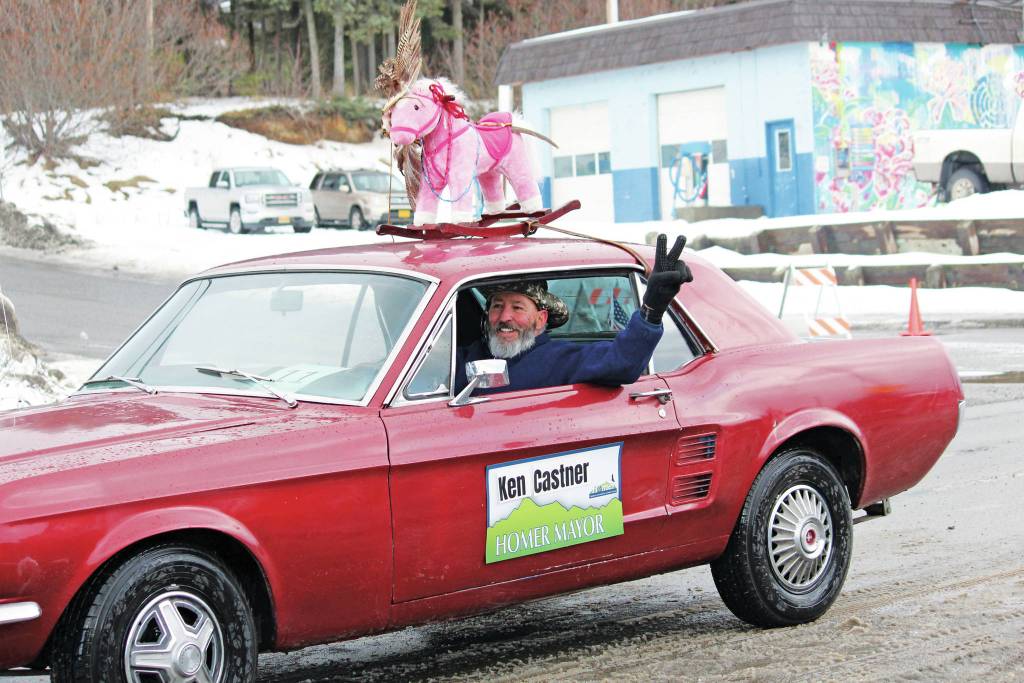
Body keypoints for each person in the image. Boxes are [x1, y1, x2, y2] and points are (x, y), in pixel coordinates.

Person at [454, 234, 693, 394]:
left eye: (517, 307)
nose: (505, 317)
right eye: (497, 305)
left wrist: (652, 309)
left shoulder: (560, 359)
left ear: (541, 319)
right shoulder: (467, 356)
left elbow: (622, 362)